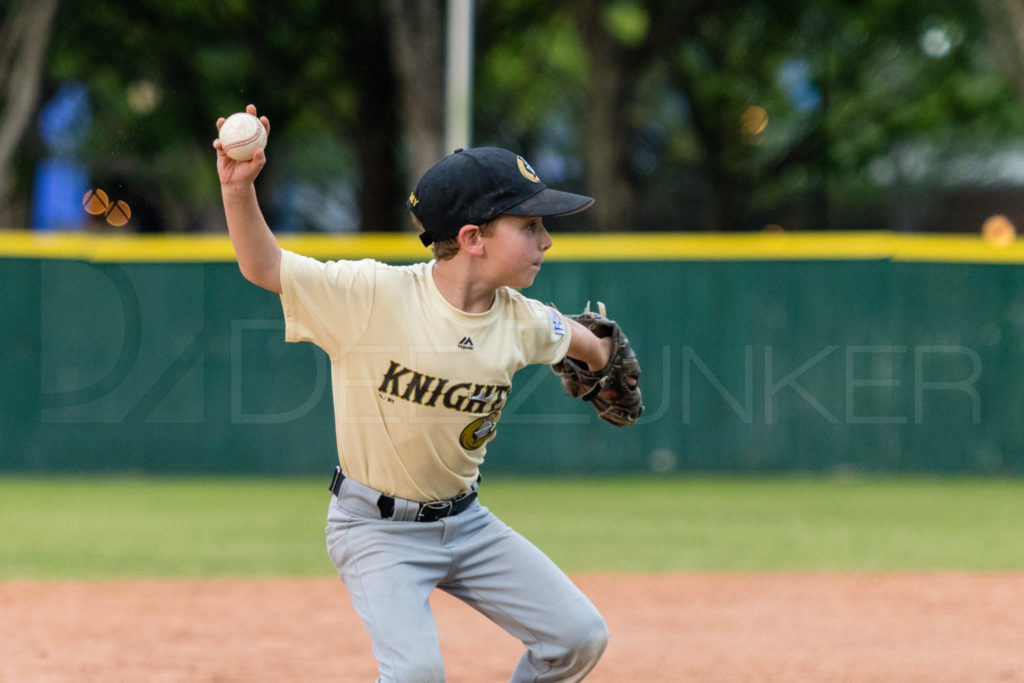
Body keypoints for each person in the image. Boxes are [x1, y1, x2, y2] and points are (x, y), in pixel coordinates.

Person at [215, 104, 615, 682]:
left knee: (578, 637)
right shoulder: (372, 295)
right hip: (375, 529)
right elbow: (264, 265)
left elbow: (581, 339)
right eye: (530, 226)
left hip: (468, 525)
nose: (546, 240)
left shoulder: (523, 320)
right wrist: (238, 190)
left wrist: (602, 358)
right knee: (416, 674)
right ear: (473, 237)